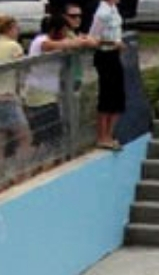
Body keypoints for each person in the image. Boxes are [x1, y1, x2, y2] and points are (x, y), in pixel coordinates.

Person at [23, 13, 97, 152]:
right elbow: (66, 44)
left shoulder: (58, 41)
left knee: (55, 131)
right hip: (39, 94)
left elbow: (80, 42)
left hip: (50, 94)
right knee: (47, 134)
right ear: (53, 30)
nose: (65, 34)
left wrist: (84, 39)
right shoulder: (42, 41)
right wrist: (81, 41)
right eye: (63, 31)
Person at [89, 0, 127, 150]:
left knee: (117, 95)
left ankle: (110, 134)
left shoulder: (113, 10)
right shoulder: (102, 13)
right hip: (105, 55)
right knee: (107, 95)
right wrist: (113, 43)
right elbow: (94, 38)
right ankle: (102, 135)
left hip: (114, 55)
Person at [0, 15, 31, 169]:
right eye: (17, 28)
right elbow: (23, 71)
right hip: (7, 98)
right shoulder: (13, 46)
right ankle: (21, 171)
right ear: (9, 29)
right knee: (24, 137)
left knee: (1, 139)